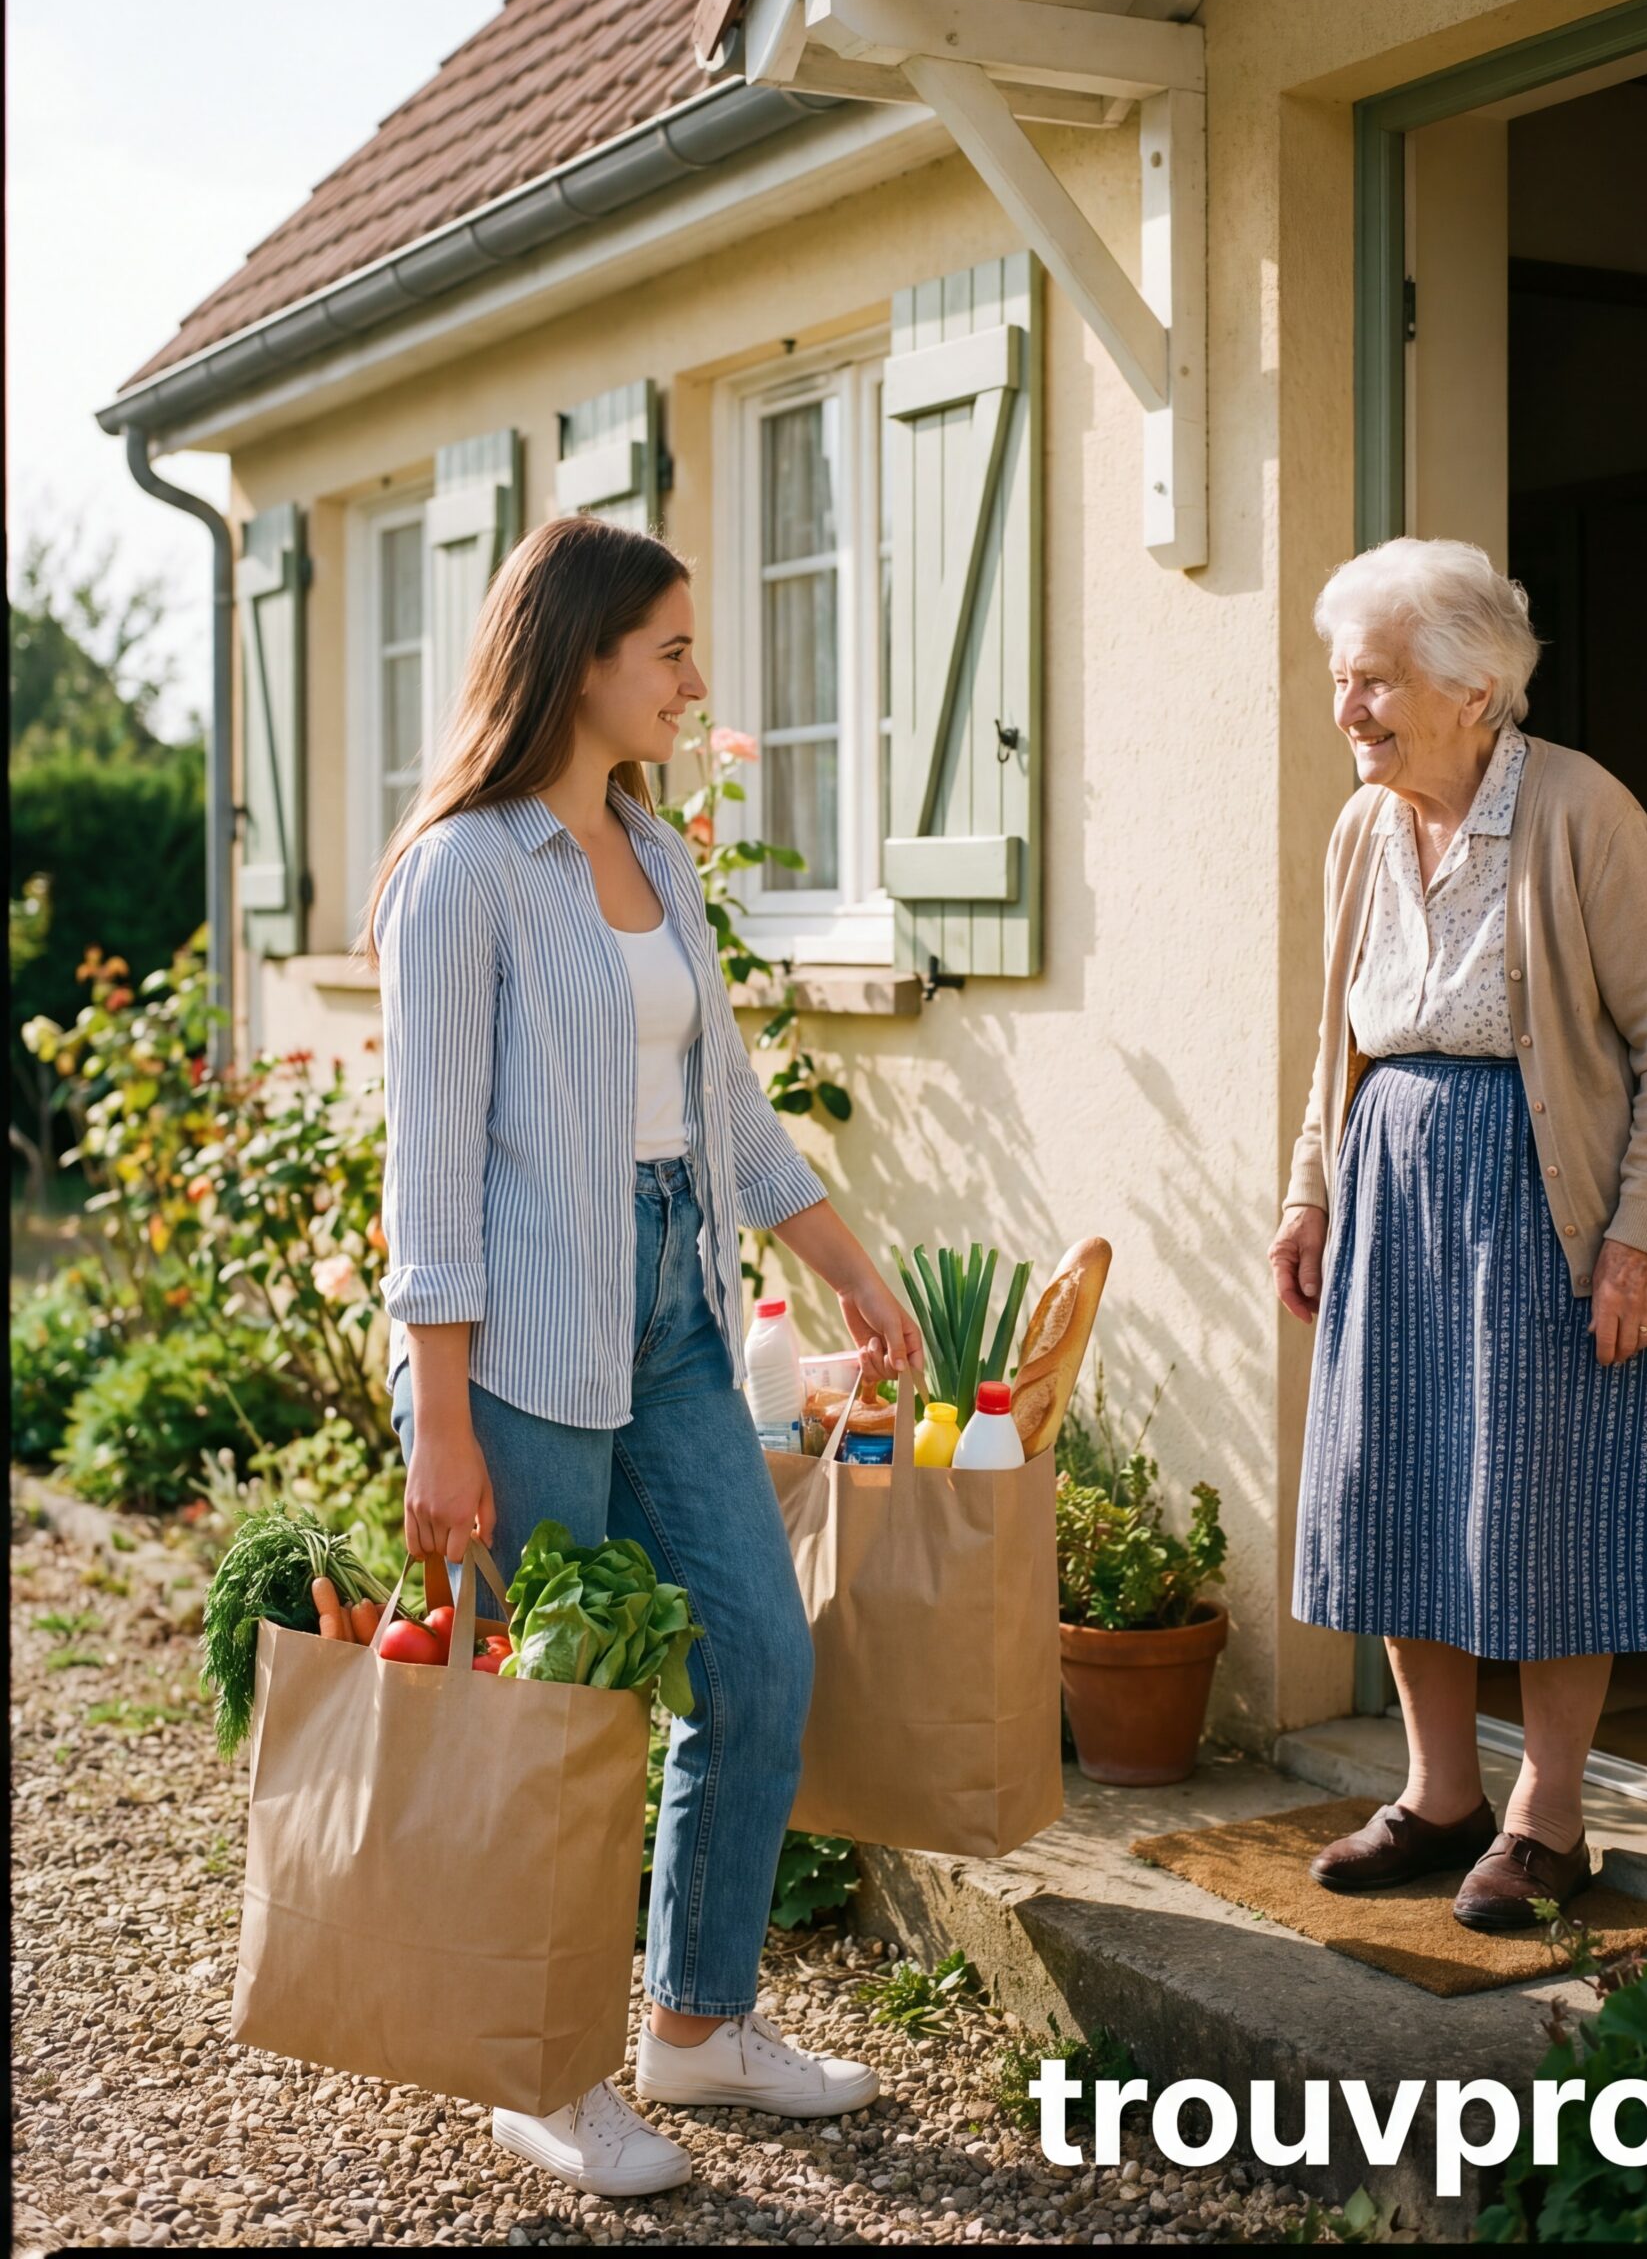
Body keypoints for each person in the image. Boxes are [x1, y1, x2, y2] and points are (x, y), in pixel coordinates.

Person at [359, 515, 924, 2195]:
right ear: (580, 658)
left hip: (674, 1305)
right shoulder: (464, 872)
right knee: (562, 1717)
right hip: (518, 1345)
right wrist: (440, 1415)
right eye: (671, 650)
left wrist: (841, 1258)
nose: (698, 679)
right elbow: (434, 1170)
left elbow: (724, 1109)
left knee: (758, 1662)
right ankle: (540, 2069)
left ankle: (695, 2023)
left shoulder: (652, 853)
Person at [1271, 537, 1647, 1932]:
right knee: (1405, 1488)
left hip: (1546, 1206)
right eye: (1343, 680)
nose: (1350, 707)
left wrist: (1641, 1237)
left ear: (1474, 691)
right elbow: (1337, 1043)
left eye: (1376, 681)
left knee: (1555, 1508)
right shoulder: (1363, 828)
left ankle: (1550, 1819)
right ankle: (1440, 1792)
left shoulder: (1583, 812)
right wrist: (1311, 1189)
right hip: (1392, 1197)